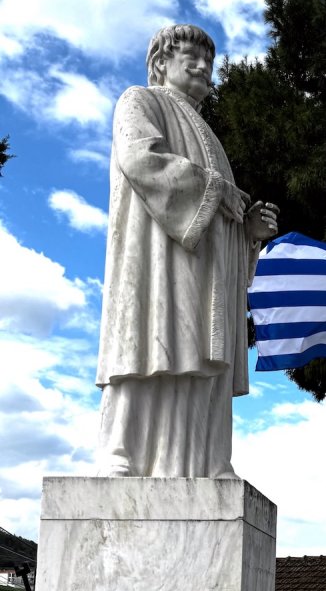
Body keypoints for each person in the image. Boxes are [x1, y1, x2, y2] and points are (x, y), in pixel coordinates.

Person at [96, 24, 278, 477]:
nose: (202, 67)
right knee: (147, 348)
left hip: (205, 277)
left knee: (199, 358)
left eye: (208, 61)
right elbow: (141, 160)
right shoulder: (140, 101)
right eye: (190, 58)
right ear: (161, 63)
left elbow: (221, 217)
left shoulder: (210, 137)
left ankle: (204, 462)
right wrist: (217, 192)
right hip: (156, 264)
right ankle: (125, 456)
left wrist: (248, 232)